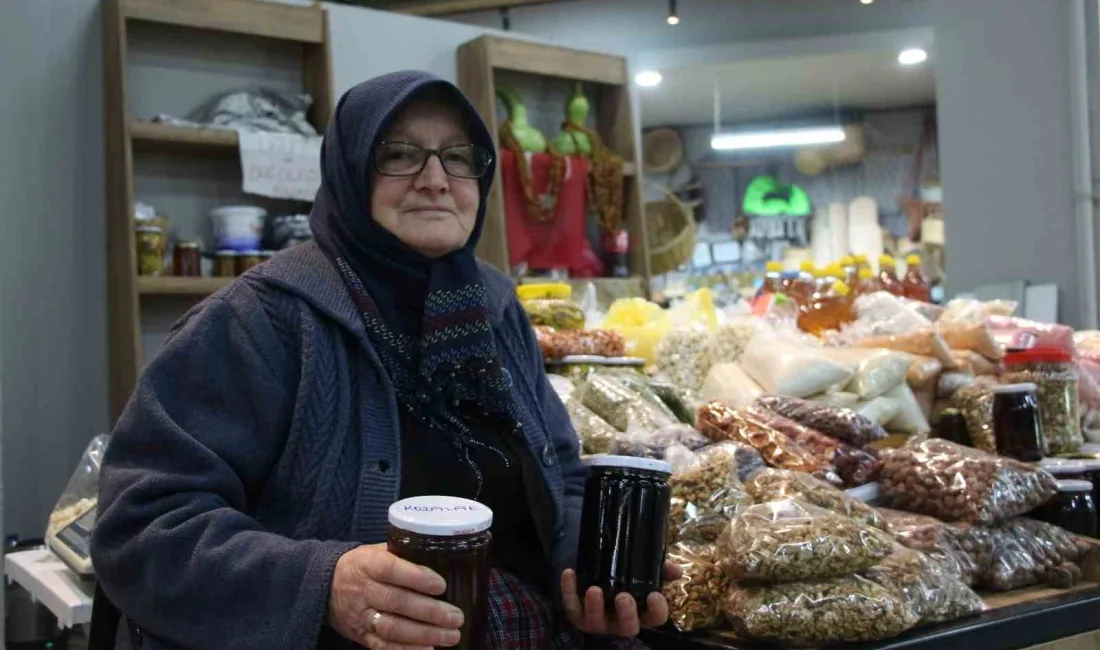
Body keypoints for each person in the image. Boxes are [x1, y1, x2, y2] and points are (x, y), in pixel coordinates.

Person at [91, 71, 677, 650]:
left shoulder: (495, 308)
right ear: (349, 173)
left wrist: (587, 565)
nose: (435, 180)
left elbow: (564, 474)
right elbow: (141, 526)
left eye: (458, 156)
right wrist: (326, 584)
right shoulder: (260, 320)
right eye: (399, 155)